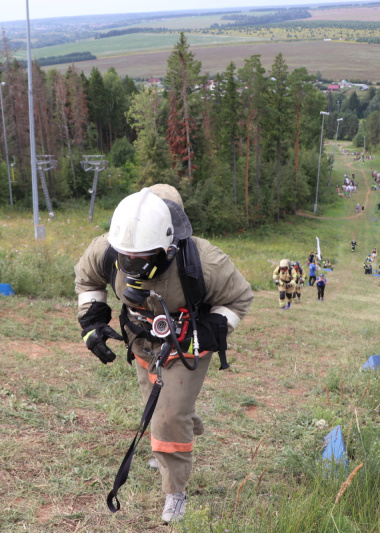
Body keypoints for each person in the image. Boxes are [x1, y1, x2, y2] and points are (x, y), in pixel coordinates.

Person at [74, 186, 253, 523]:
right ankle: (178, 421)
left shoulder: (205, 261)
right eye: (125, 258)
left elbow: (240, 297)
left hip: (188, 344)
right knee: (156, 406)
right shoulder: (108, 249)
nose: (130, 266)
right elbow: (87, 279)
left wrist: (207, 331)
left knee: (168, 417)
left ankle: (175, 492)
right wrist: (93, 322)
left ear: (167, 246)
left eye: (140, 260)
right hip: (141, 339)